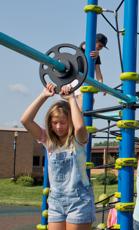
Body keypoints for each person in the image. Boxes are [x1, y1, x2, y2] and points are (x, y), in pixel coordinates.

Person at [20, 83, 95, 230]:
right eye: (55, 123)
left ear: (70, 123)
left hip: (79, 200)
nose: (59, 126)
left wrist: (71, 99)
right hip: (56, 201)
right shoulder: (48, 141)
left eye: (63, 122)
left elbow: (79, 127)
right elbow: (25, 120)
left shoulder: (78, 140)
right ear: (50, 123)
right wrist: (43, 95)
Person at [75, 33, 108, 110]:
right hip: (75, 78)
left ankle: (83, 119)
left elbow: (98, 72)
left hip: (84, 80)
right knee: (83, 99)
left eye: (102, 47)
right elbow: (84, 45)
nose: (100, 48)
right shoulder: (83, 48)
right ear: (94, 41)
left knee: (90, 100)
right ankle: (79, 119)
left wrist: (101, 85)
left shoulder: (96, 56)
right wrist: (92, 49)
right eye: (99, 45)